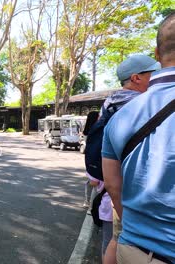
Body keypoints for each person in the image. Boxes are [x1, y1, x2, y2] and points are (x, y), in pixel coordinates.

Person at [102, 13, 175, 264]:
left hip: (135, 246)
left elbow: (113, 185)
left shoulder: (118, 114)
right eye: (147, 74)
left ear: (157, 52)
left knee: (114, 240)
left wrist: (133, 229)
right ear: (135, 78)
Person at [86, 54, 160, 264]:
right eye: (153, 74)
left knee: (114, 239)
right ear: (137, 78)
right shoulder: (143, 106)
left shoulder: (110, 102)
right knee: (125, 242)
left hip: (110, 189)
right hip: (131, 193)